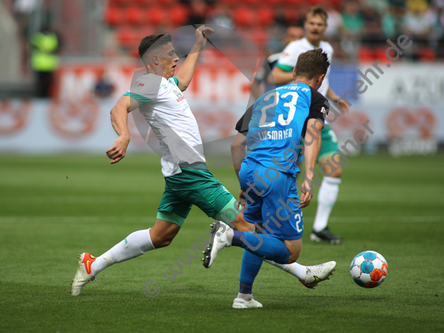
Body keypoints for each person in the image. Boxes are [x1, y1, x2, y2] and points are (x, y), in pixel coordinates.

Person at [70, 25, 254, 296]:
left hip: (178, 173)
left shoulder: (165, 84)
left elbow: (183, 82)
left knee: (161, 236)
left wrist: (197, 47)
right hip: (191, 173)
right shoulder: (147, 83)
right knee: (244, 225)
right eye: (170, 54)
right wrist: (123, 135)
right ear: (155, 60)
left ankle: (92, 265)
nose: (175, 57)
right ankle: (301, 271)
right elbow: (118, 106)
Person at [204, 49, 337, 308]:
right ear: (320, 78)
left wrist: (244, 183)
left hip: (250, 170)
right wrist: (309, 178)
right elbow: (313, 135)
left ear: (295, 72)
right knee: (290, 251)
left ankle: (244, 297)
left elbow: (236, 145)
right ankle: (229, 237)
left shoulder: (265, 97)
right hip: (278, 175)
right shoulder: (314, 97)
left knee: (259, 230)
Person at [269, 6, 349, 244]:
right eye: (312, 23)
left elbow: (321, 80)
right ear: (306, 25)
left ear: (325, 27)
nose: (315, 28)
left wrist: (333, 97)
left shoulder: (329, 49)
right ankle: (277, 224)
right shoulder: (295, 48)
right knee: (287, 175)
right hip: (296, 116)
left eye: (320, 24)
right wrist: (300, 78)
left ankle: (320, 227)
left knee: (334, 169)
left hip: (318, 114)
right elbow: (275, 75)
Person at [251, 26, 304, 100]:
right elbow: (255, 83)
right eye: (292, 37)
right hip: (276, 108)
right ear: (285, 39)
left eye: (300, 38)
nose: (296, 40)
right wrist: (261, 103)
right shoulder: (273, 59)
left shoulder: (307, 62)